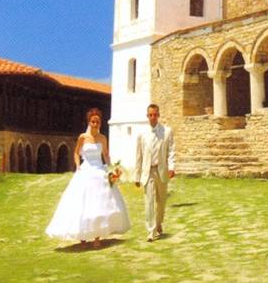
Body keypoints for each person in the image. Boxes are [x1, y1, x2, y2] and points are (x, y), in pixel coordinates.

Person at [46, 107, 130, 248]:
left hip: (100, 172)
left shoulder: (102, 138)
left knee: (99, 205)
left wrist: (112, 169)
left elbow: (106, 155)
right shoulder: (82, 138)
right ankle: (83, 238)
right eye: (93, 122)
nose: (95, 124)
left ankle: (97, 237)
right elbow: (76, 153)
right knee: (82, 204)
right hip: (86, 171)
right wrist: (78, 166)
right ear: (89, 122)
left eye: (97, 122)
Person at [134, 103, 175, 242]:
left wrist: (172, 167)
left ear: (158, 115)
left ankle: (158, 223)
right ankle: (150, 231)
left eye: (155, 114)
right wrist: (137, 175)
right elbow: (138, 156)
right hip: (148, 171)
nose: (153, 117)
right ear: (147, 116)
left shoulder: (167, 131)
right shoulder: (141, 134)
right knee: (149, 202)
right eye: (150, 115)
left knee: (161, 202)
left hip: (161, 170)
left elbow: (171, 151)